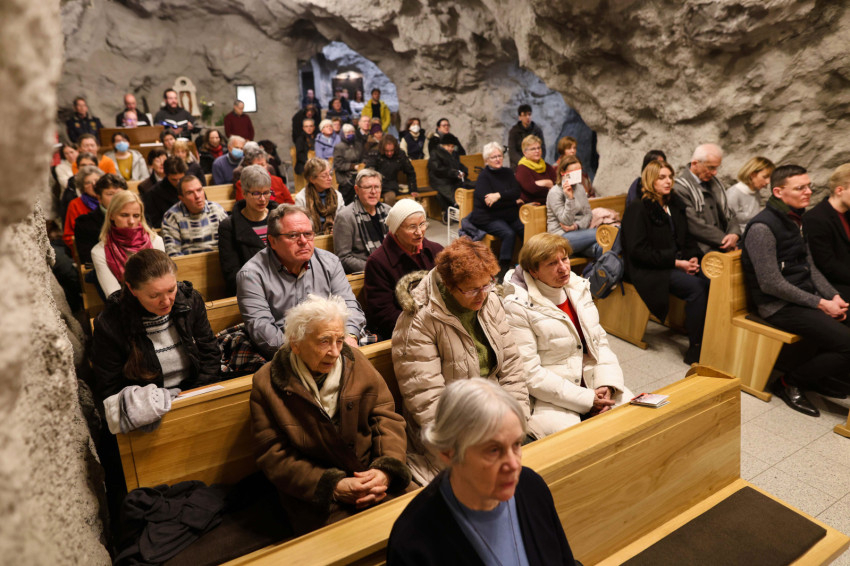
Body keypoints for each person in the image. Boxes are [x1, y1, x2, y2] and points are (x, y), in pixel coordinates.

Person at [249, 294, 410, 535]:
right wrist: (333, 486)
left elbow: (385, 417)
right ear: (295, 344)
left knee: (423, 524)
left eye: (340, 340)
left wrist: (385, 470)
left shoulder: (356, 361)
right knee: (351, 542)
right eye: (324, 341)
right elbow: (273, 455)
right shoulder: (267, 383)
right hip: (317, 496)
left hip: (372, 475)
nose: (335, 352)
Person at [387, 378, 575, 565]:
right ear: (448, 453)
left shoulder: (531, 487)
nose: (513, 465)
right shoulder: (411, 542)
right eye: (494, 450)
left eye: (516, 444)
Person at [392, 238, 530, 484]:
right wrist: (479, 439)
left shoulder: (490, 301)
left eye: (486, 284)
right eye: (471, 289)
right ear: (449, 285)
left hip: (495, 412)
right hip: (451, 428)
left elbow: (512, 368)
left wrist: (517, 419)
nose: (482, 295)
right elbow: (427, 399)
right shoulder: (419, 320)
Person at [742, 164, 850, 415]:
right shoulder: (762, 227)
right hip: (777, 306)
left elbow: (809, 266)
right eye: (800, 188)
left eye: (809, 186)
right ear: (778, 192)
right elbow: (771, 283)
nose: (808, 191)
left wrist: (832, 295)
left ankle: (817, 376)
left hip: (802, 298)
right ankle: (788, 382)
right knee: (848, 345)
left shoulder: (795, 219)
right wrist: (821, 303)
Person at [503, 233, 630, 438]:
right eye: (552, 263)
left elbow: (600, 343)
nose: (563, 268)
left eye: (565, 259)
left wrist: (606, 384)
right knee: (579, 443)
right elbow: (529, 373)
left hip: (593, 379)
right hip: (553, 396)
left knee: (634, 420)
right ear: (534, 271)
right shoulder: (517, 306)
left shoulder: (578, 288)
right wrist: (586, 399)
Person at [91, 248, 220, 435]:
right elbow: (110, 387)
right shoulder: (110, 323)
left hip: (194, 391)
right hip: (147, 409)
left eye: (171, 289)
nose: (166, 301)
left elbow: (210, 352)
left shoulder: (190, 300)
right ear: (132, 290)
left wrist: (193, 399)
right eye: (154, 295)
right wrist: (156, 404)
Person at [236, 205, 367, 360]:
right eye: (293, 236)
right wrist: (305, 352)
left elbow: (350, 306)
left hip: (334, 341)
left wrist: (349, 336)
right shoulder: (251, 275)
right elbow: (261, 329)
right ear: (272, 241)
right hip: (286, 350)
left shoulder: (330, 262)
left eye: (308, 234)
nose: (303, 241)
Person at [622, 160, 708, 364]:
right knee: (696, 288)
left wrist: (692, 257)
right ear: (650, 180)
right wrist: (677, 263)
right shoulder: (639, 208)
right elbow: (638, 251)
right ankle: (695, 348)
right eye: (662, 177)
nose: (668, 181)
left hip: (675, 261)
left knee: (710, 280)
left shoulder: (674, 204)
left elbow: (686, 238)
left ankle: (707, 337)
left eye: (670, 177)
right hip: (649, 269)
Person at [363, 200, 443, 341]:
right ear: (396, 229)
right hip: (404, 333)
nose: (419, 232)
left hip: (439, 325)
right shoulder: (378, 262)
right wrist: (425, 328)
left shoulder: (436, 250)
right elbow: (384, 314)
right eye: (412, 227)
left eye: (422, 224)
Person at [218, 165, 280, 296]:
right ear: (244, 193)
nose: (262, 199)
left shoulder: (280, 217)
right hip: (252, 291)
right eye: (256, 193)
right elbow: (232, 274)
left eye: (266, 192)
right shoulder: (229, 226)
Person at [91, 191, 166, 297]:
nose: (131, 221)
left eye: (136, 216)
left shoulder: (155, 241)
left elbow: (163, 281)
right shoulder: (99, 251)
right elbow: (113, 294)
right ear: (111, 216)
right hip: (125, 303)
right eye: (124, 215)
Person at [468, 142, 523, 278]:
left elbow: (517, 191)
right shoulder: (484, 176)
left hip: (507, 214)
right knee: (508, 233)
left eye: (500, 156)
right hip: (487, 217)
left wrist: (499, 196)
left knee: (525, 229)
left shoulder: (508, 172)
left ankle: (526, 262)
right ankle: (502, 270)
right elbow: (489, 204)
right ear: (486, 160)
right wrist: (510, 200)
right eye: (493, 157)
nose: (498, 159)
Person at [673, 143, 740, 253]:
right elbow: (695, 225)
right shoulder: (680, 188)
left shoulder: (716, 184)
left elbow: (729, 212)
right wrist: (725, 240)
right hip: (700, 251)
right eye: (711, 167)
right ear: (695, 164)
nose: (715, 173)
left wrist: (734, 234)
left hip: (724, 246)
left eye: (716, 167)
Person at [803, 163, 850, 300]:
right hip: (834, 286)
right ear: (839, 190)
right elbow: (828, 266)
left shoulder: (847, 213)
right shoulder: (815, 218)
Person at [333, 169, 391, 274]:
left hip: (390, 267)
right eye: (368, 187)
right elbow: (343, 258)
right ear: (357, 189)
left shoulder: (388, 211)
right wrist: (375, 267)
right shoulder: (345, 217)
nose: (373, 192)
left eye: (377, 187)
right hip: (367, 273)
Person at [547, 156, 601, 259]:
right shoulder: (555, 192)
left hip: (580, 233)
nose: (577, 174)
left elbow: (588, 214)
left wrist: (576, 226)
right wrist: (570, 198)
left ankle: (594, 270)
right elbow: (566, 222)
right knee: (605, 232)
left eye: (579, 171)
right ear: (563, 172)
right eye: (573, 172)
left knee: (602, 248)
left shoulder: (580, 188)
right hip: (560, 237)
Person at [161, 176, 228, 257]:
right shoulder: (171, 217)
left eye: (199, 190)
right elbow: (173, 253)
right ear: (181, 198)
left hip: (219, 259)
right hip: (188, 262)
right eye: (190, 193)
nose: (197, 196)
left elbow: (229, 244)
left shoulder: (217, 210)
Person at [75, 174, 126, 264]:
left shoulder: (137, 217)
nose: (116, 198)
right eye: (110, 194)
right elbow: (88, 259)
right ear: (99, 198)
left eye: (119, 194)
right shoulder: (84, 223)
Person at [294, 158, 344, 235]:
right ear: (312, 179)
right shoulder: (301, 198)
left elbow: (343, 219)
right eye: (324, 176)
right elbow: (300, 225)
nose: (330, 178)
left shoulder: (337, 195)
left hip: (335, 236)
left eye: (330, 174)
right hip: (312, 237)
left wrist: (338, 227)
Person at [726, 156, 775, 233]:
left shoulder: (756, 191)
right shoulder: (733, 194)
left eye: (770, 177)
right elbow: (729, 223)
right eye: (765, 177)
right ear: (752, 174)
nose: (768, 181)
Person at [366, 134, 417, 205]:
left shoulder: (400, 154)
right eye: (386, 151)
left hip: (391, 186)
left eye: (392, 150)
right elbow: (368, 172)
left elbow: (410, 172)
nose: (389, 153)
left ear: (395, 148)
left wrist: (413, 189)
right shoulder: (375, 153)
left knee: (390, 196)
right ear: (382, 149)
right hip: (375, 184)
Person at [63, 165, 104, 250]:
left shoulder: (109, 200)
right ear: (82, 187)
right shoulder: (75, 204)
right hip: (87, 248)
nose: (94, 185)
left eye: (96, 181)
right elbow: (68, 236)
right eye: (88, 183)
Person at [428, 133, 469, 215]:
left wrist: (463, 172)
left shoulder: (453, 154)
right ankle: (457, 207)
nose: (450, 148)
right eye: (448, 146)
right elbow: (438, 169)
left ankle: (459, 208)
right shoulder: (435, 153)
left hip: (450, 178)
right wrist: (454, 173)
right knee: (449, 189)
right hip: (439, 179)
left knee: (466, 185)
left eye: (452, 146)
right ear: (442, 145)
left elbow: (459, 165)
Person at [142, 156, 186, 229]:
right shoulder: (153, 193)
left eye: (181, 179)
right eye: (174, 180)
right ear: (166, 175)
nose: (178, 183)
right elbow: (153, 221)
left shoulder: (192, 187)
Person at [515, 135, 557, 205]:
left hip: (550, 204)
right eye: (533, 149)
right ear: (525, 152)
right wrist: (548, 183)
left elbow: (556, 186)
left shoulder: (547, 166)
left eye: (539, 148)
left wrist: (539, 183)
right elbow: (532, 189)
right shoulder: (522, 169)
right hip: (532, 207)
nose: (537, 151)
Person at [333, 123, 363, 205]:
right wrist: (353, 166)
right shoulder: (339, 147)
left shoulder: (358, 145)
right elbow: (338, 164)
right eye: (348, 133)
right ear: (343, 134)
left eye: (352, 132)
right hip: (345, 177)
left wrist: (361, 165)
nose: (351, 134)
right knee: (347, 201)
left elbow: (362, 157)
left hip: (357, 175)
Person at [508, 104, 545, 169]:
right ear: (520, 117)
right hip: (519, 165)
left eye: (529, 114)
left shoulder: (537, 130)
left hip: (535, 164)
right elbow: (512, 151)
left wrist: (536, 161)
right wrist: (524, 163)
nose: (528, 117)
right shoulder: (514, 132)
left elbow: (543, 149)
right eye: (525, 115)